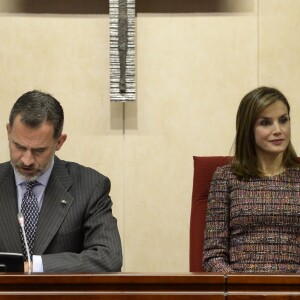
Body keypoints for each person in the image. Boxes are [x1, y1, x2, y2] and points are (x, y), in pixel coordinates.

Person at [0, 90, 122, 273]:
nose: (26, 160)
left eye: (38, 151)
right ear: (9, 132)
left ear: (59, 142)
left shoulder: (90, 186)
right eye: (19, 146)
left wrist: (35, 267)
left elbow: (108, 257)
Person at [203, 86, 300, 273]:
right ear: (248, 128)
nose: (278, 130)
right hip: (239, 290)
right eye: (266, 123)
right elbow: (213, 256)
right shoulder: (225, 177)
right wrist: (240, 288)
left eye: (283, 120)